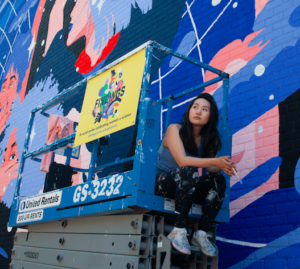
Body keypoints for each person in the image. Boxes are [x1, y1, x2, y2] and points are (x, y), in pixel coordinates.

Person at [155, 93, 235, 256]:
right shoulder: (174, 129)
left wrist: (223, 165)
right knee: (189, 170)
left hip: (186, 187)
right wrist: (216, 161)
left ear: (210, 116)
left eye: (204, 109)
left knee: (218, 180)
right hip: (163, 183)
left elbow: (212, 169)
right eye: (195, 107)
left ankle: (201, 234)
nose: (198, 111)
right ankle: (178, 230)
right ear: (189, 110)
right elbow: (183, 161)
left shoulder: (208, 138)